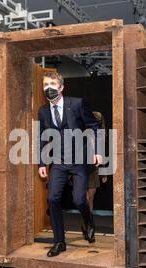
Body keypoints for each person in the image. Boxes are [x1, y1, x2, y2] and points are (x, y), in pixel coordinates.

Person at [38, 71, 102, 257]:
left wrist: (97, 151)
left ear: (61, 87)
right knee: (52, 199)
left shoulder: (77, 104)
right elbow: (41, 137)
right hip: (58, 161)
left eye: (52, 84)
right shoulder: (43, 111)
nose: (48, 88)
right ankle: (59, 241)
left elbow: (94, 126)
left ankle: (89, 221)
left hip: (80, 160)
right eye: (45, 85)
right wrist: (41, 162)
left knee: (79, 200)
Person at [86, 112, 108, 213]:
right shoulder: (82, 132)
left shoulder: (101, 135)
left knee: (90, 197)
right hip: (81, 167)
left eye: (98, 120)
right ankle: (86, 219)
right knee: (83, 197)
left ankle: (89, 221)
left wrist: (103, 172)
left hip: (93, 168)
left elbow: (102, 153)